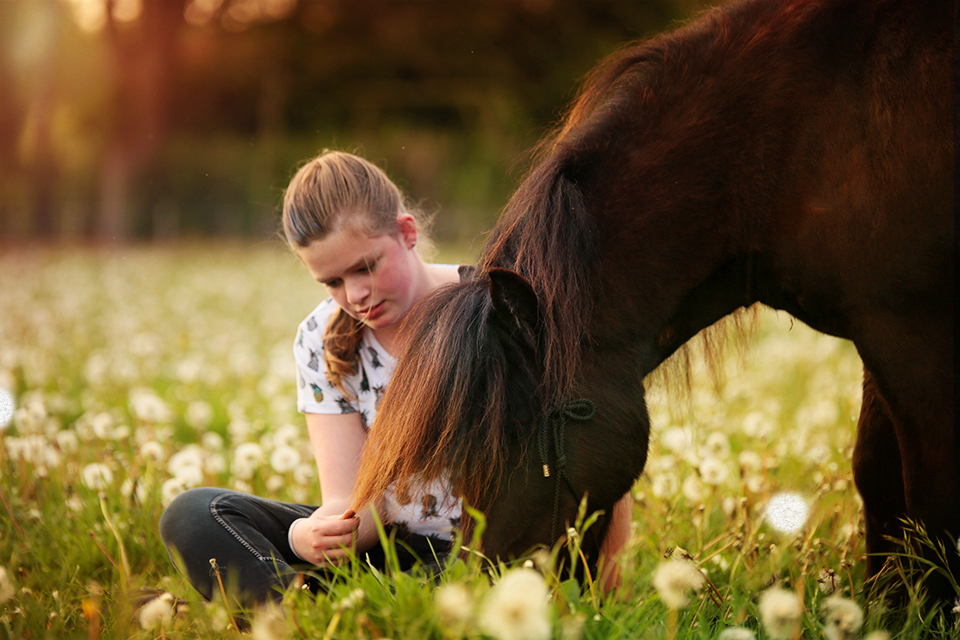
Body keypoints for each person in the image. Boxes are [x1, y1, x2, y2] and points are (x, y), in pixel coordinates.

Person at [159, 150, 464, 608]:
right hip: (384, 548)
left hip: (483, 548)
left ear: (406, 232)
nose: (355, 295)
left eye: (366, 266)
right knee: (194, 516)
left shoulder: (487, 305)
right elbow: (352, 502)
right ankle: (300, 611)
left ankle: (293, 606)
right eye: (332, 282)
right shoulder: (320, 338)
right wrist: (309, 537)